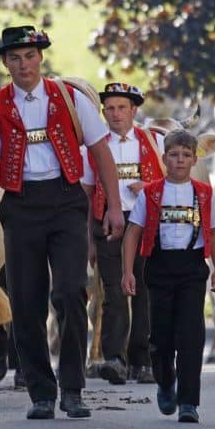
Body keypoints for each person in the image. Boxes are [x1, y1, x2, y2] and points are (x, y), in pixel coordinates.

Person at [0, 25, 124, 420]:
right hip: (21, 207)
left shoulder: (70, 98)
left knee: (71, 292)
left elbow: (101, 153)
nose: (23, 64)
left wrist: (113, 207)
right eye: (15, 58)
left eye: (30, 56)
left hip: (66, 202)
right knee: (26, 301)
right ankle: (41, 392)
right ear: (6, 64)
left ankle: (72, 388)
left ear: (41, 58)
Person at [121, 129, 215, 423]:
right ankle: (166, 381)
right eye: (174, 155)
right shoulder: (151, 193)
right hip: (160, 266)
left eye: (186, 156)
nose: (180, 161)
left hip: (192, 268)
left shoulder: (204, 194)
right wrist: (128, 271)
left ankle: (189, 402)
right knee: (161, 337)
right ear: (164, 158)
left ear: (194, 160)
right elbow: (133, 233)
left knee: (192, 336)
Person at [81, 83, 165, 385]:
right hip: (107, 224)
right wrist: (89, 239)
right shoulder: (93, 147)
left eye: (122, 108)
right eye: (110, 108)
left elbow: (174, 184)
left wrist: (149, 188)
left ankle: (142, 360)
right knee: (113, 291)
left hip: (146, 224)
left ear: (134, 111)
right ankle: (114, 358)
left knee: (144, 290)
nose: (115, 114)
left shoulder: (154, 142)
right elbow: (87, 194)